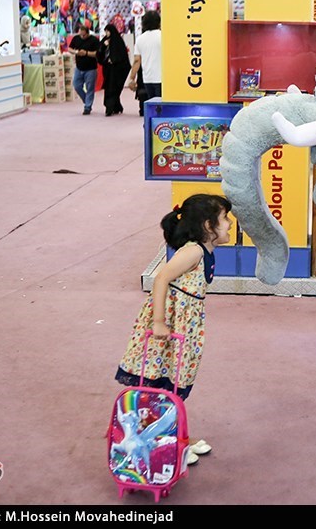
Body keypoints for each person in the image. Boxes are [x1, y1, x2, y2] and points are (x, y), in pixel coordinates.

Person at [114, 193, 233, 465]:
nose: (229, 223)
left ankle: (172, 434)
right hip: (170, 323)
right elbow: (161, 278)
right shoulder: (193, 251)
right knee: (161, 378)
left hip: (186, 324)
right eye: (224, 218)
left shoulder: (203, 251)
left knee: (176, 377)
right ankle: (159, 437)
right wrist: (158, 321)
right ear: (207, 226)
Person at [127, 10, 161, 116]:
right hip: (162, 78)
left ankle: (151, 128)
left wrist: (131, 78)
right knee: (162, 107)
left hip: (147, 78)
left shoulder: (140, 39)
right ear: (159, 22)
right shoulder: (164, 36)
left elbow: (137, 61)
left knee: (152, 105)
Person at [96, 24, 131, 116]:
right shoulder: (104, 41)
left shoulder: (118, 42)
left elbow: (122, 56)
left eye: (108, 31)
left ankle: (110, 107)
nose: (106, 33)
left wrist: (114, 60)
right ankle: (115, 106)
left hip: (117, 70)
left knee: (113, 88)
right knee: (109, 87)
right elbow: (99, 53)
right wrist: (104, 46)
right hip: (108, 69)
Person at [68, 25, 100, 115]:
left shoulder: (94, 40)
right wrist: (76, 52)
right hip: (79, 67)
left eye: (84, 35)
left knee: (90, 88)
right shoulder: (76, 39)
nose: (82, 37)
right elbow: (70, 48)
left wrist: (86, 53)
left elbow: (98, 53)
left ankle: (87, 107)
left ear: (87, 33)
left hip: (91, 68)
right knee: (76, 85)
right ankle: (86, 100)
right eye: (80, 35)